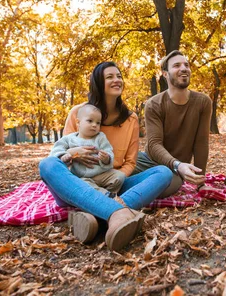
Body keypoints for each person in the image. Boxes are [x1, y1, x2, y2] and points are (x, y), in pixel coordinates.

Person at [39, 62, 173, 251]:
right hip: (77, 185)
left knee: (163, 172)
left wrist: (118, 177)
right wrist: (74, 154)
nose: (116, 80)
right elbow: (64, 152)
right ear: (98, 83)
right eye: (109, 77)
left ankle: (99, 217)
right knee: (47, 165)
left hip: (112, 183)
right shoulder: (78, 112)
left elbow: (130, 162)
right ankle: (115, 213)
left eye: (119, 76)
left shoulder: (131, 119)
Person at [134, 50, 212, 197]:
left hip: (173, 172)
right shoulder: (154, 104)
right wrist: (178, 164)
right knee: (121, 163)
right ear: (165, 74)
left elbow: (201, 143)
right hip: (149, 162)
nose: (183, 68)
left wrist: (200, 183)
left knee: (169, 183)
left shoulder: (203, 102)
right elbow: (154, 144)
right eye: (176, 65)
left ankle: (128, 190)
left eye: (186, 65)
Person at [49, 104, 124, 195]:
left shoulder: (100, 137)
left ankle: (109, 193)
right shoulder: (70, 139)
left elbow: (108, 150)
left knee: (119, 176)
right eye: (90, 121)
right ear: (78, 122)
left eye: (98, 123)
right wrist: (63, 156)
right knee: (84, 185)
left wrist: (106, 158)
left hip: (101, 175)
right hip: (82, 178)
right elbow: (56, 149)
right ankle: (105, 196)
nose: (94, 125)